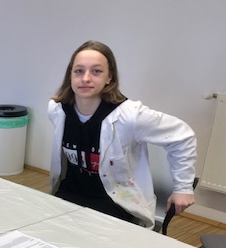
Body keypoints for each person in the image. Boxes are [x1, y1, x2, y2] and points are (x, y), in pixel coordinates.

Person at [48, 40, 196, 229]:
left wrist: (183, 188)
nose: (85, 78)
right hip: (68, 195)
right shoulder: (57, 110)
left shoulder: (130, 116)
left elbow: (183, 137)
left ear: (109, 77)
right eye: (79, 71)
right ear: (70, 75)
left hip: (115, 203)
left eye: (96, 71)